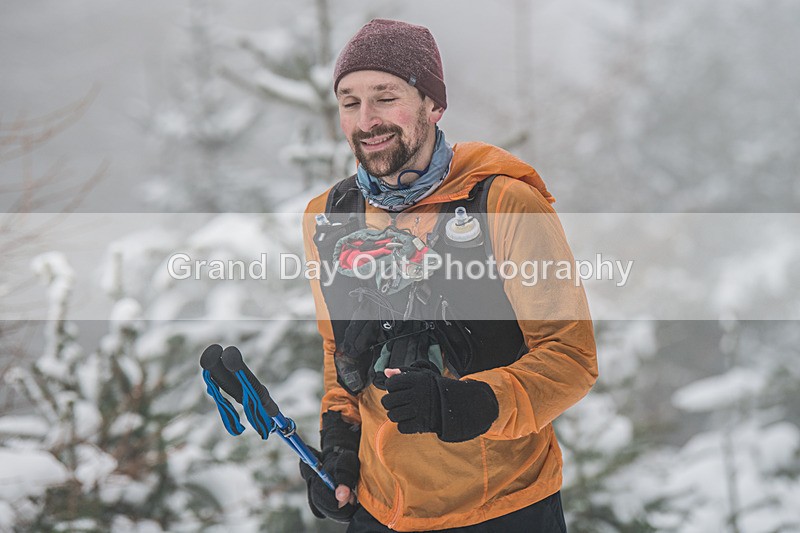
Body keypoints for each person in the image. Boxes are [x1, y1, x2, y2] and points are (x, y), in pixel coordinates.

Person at [299, 18, 597, 533]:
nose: (366, 120)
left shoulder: (503, 204)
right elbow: (338, 352)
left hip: (502, 508)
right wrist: (340, 448)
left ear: (433, 105)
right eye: (350, 102)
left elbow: (571, 358)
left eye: (385, 97)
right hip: (380, 510)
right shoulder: (329, 217)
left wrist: (475, 403)